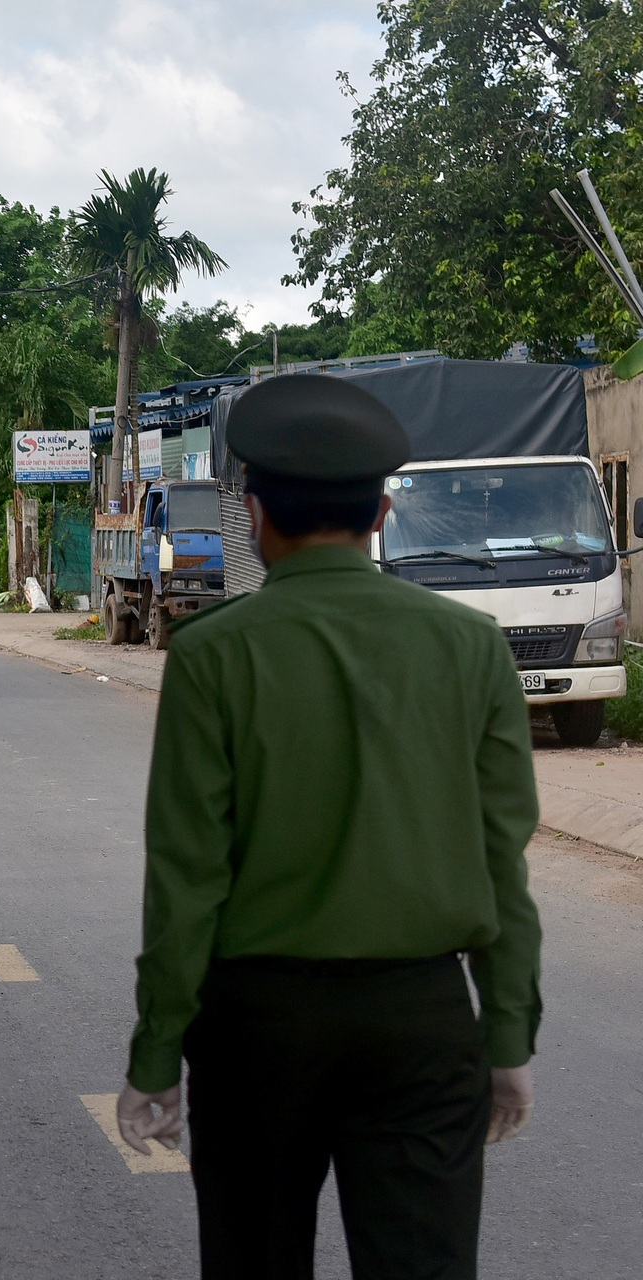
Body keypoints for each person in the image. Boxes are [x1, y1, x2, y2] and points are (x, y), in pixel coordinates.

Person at [114, 374, 542, 1279]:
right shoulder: (471, 647)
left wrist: (157, 1053)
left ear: (257, 513)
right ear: (383, 512)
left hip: (257, 1031)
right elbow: (504, 861)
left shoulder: (212, 652)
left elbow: (188, 876)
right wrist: (505, 1036)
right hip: (422, 1023)